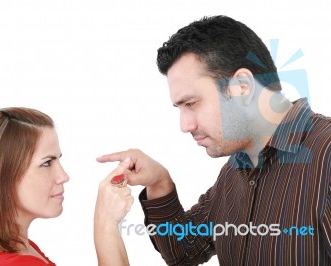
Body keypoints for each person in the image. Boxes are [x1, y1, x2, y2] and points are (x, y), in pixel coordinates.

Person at [97, 15, 331, 265]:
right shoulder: (235, 171)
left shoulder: (325, 154)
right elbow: (184, 250)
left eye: (191, 103)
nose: (185, 126)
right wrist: (159, 183)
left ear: (242, 86)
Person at [0, 107, 133, 266]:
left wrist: (160, 184)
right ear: (1, 177)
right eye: (47, 163)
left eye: (58, 160)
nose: (63, 177)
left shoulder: (20, 248)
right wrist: (106, 223)